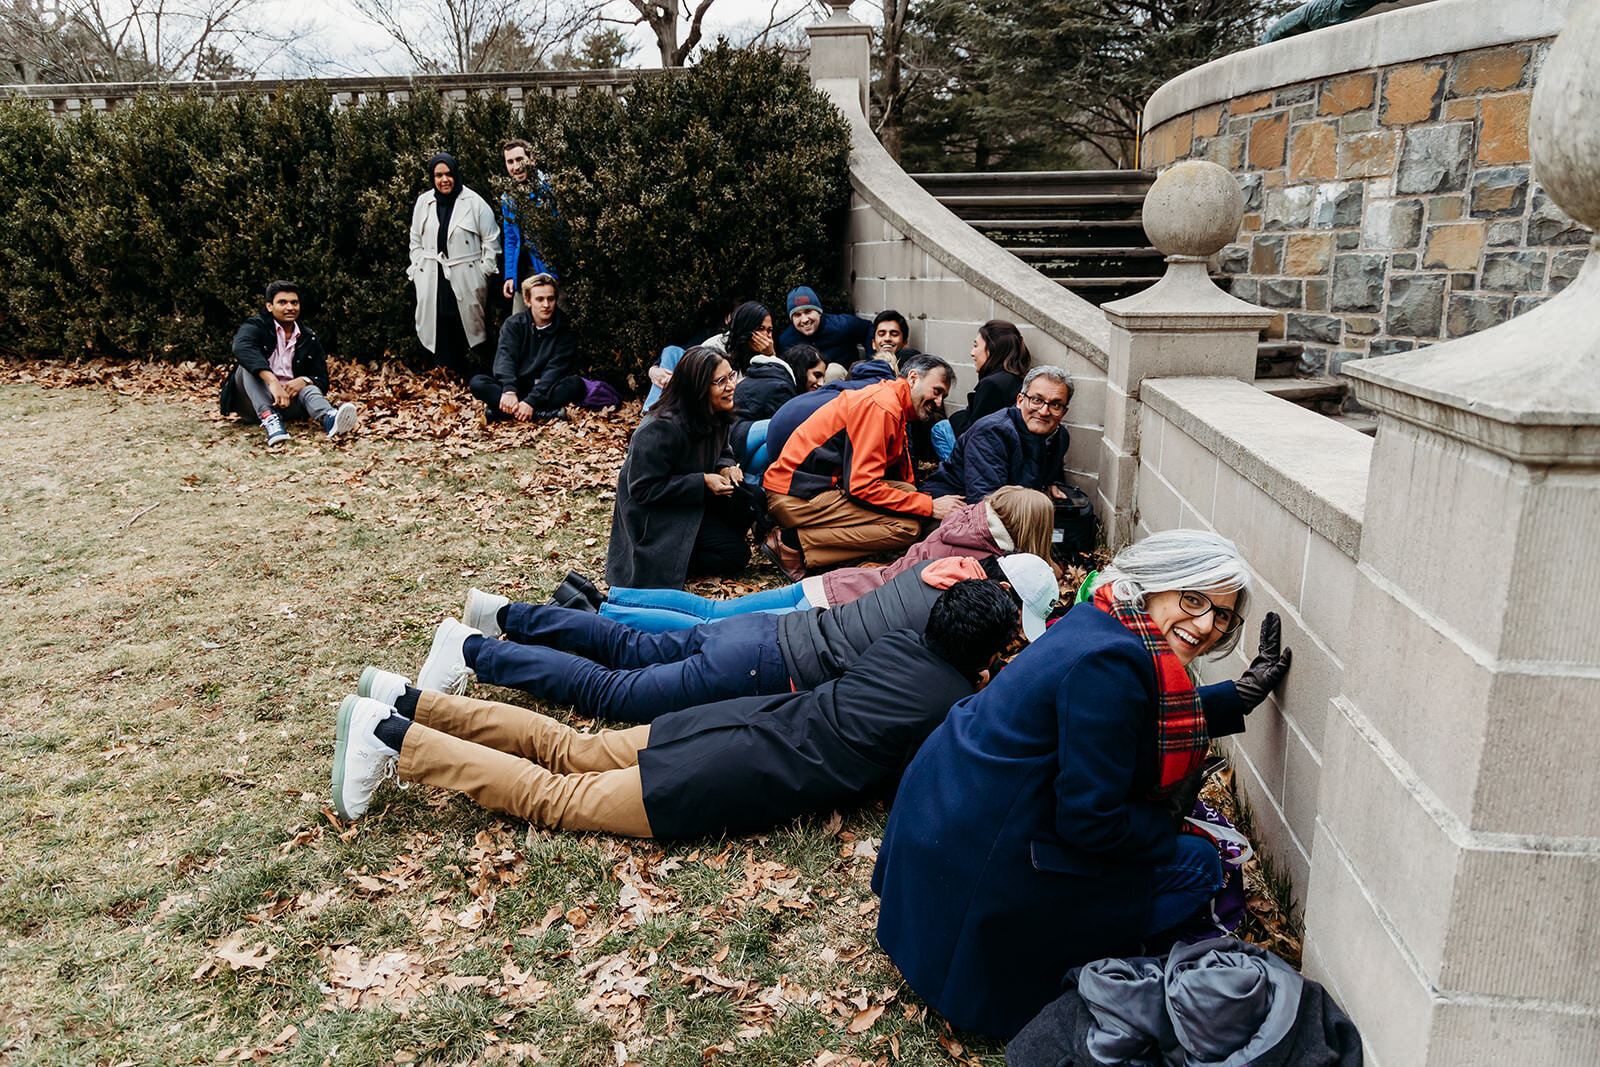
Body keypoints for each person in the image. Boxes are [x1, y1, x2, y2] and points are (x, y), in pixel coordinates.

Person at [871, 530, 1294, 1040]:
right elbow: (1090, 824)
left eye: (1222, 614)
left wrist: (1237, 697)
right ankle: (1063, 959)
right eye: (1194, 599)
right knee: (1202, 865)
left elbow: (1124, 719)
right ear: (1155, 582)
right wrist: (1168, 818)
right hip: (979, 889)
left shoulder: (1101, 617)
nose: (1206, 624)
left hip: (942, 847)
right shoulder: (1114, 662)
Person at [330, 580, 1022, 837]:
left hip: (739, 717)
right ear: (985, 654)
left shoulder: (901, 641)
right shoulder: (954, 705)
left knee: (570, 749)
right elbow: (921, 781)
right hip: (734, 771)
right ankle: (390, 733)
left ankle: (407, 700)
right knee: (557, 798)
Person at [405, 553, 1056, 725]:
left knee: (625, 647)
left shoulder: (938, 572)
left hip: (768, 632)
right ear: (1000, 593)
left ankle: (502, 613)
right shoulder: (956, 617)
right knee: (613, 692)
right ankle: (469, 650)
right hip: (764, 666)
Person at [592, 486, 1054, 632]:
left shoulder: (963, 521)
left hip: (836, 583)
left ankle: (611, 601)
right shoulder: (984, 562)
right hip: (836, 606)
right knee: (711, 629)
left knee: (712, 612)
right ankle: (608, 621)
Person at [761, 353, 964, 579]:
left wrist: (919, 502)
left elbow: (895, 478)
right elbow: (861, 486)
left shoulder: (891, 400)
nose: (938, 403)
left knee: (908, 494)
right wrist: (929, 506)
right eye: (936, 391)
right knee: (907, 528)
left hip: (813, 486)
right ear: (914, 378)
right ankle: (792, 545)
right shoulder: (883, 407)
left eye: (943, 396)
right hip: (794, 496)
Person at [604, 345, 751, 590]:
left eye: (731, 376)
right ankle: (675, 560)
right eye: (720, 381)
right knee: (735, 556)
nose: (730, 386)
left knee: (749, 499)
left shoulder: (717, 410)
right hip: (657, 517)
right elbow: (642, 489)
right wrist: (702, 481)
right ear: (698, 387)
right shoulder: (659, 428)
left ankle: (702, 542)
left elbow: (723, 451)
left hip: (690, 500)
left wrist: (725, 467)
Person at [219, 280, 357, 446]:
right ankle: (270, 420)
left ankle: (329, 418)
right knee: (246, 368)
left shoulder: (308, 337)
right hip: (251, 404)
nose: (290, 307)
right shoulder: (256, 326)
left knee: (309, 387)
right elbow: (241, 348)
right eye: (282, 302)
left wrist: (305, 380)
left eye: (294, 302)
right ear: (269, 306)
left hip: (288, 403)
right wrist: (272, 382)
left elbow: (322, 379)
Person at [923, 365, 1073, 504]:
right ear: (1020, 400)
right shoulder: (993, 433)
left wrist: (1049, 484)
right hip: (955, 508)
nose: (1044, 411)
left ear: (1064, 412)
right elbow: (986, 501)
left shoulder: (1059, 437)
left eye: (1055, 405)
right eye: (1036, 400)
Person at [408, 152, 500, 375]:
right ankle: (441, 374)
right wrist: (418, 266)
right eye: (439, 175)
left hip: (466, 274)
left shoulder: (475, 203)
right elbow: (415, 239)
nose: (444, 180)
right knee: (437, 322)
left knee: (467, 324)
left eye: (449, 174)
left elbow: (492, 239)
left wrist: (483, 272)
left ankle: (471, 376)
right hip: (432, 274)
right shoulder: (424, 202)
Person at [467, 274, 581, 423]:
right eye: (540, 299)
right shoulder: (514, 324)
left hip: (545, 388)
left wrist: (531, 401)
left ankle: (503, 413)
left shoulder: (564, 327)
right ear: (528, 300)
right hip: (516, 386)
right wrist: (509, 390)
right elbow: (505, 358)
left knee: (575, 385)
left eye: (550, 299)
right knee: (477, 383)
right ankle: (544, 414)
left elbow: (556, 369)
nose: (546, 305)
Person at [732, 343, 824, 469]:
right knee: (783, 430)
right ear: (802, 370)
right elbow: (780, 433)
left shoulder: (775, 376)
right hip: (736, 441)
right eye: (817, 375)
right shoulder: (781, 386)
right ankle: (753, 479)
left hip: (737, 437)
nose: (821, 383)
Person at [498, 139, 557, 313]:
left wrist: (555, 272)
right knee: (519, 320)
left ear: (532, 160)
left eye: (519, 159)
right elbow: (510, 238)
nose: (516, 166)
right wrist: (510, 275)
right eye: (510, 162)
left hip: (549, 268)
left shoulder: (550, 189)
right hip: (523, 270)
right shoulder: (508, 198)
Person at [777, 286, 871, 374]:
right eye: (797, 315)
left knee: (833, 372)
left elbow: (868, 328)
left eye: (808, 311)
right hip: (810, 388)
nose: (805, 320)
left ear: (819, 312)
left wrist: (871, 362)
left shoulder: (841, 325)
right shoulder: (786, 341)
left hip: (845, 383)